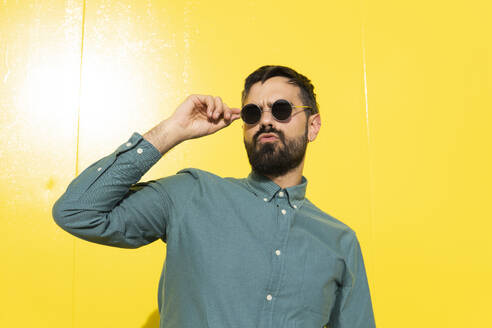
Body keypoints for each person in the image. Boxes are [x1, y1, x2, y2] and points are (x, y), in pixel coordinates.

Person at [52, 65, 376, 328]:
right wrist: (173, 130)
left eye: (281, 110)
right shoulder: (191, 194)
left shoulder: (339, 242)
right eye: (252, 113)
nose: (265, 121)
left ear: (313, 125)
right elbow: (78, 212)